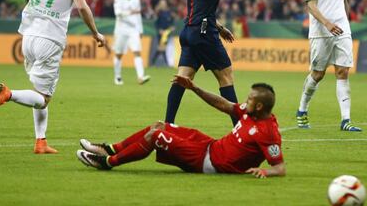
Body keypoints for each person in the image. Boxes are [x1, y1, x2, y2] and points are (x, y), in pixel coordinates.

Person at [0, 0, 106, 153]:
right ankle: (8, 93)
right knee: (43, 99)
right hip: (50, 40)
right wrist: (95, 33)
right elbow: (81, 6)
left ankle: (40, 142)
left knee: (39, 91)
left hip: (28, 36)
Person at [165, 0, 298, 126]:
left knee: (182, 78)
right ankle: (240, 127)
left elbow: (196, 11)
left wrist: (219, 27)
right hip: (204, 35)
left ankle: (168, 124)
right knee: (225, 76)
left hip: (188, 32)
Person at [77, 76, 285, 178]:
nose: (244, 102)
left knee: (157, 136)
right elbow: (224, 104)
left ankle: (107, 162)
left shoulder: (268, 132)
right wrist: (194, 88)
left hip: (209, 162)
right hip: (209, 146)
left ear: (259, 106)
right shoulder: (250, 112)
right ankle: (110, 148)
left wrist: (266, 171)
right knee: (160, 125)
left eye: (249, 100)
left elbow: (280, 168)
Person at [296, 0, 361, 132]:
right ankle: (302, 110)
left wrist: (345, 23)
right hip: (321, 32)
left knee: (342, 71)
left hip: (342, 30)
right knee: (318, 74)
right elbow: (311, 5)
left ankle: (346, 120)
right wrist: (327, 23)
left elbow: (345, 0)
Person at [112, 0, 150, 85]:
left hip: (133, 30)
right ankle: (118, 77)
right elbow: (118, 13)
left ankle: (141, 77)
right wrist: (131, 12)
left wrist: (140, 29)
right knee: (119, 54)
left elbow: (138, 15)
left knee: (137, 52)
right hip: (121, 30)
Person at [151, 0, 175, 66]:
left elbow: (172, 21)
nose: (163, 4)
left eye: (164, 3)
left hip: (167, 32)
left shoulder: (169, 12)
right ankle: (166, 63)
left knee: (161, 48)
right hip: (161, 33)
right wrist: (159, 29)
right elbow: (156, 22)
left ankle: (153, 62)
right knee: (162, 47)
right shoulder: (159, 12)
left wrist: (172, 27)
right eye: (161, 3)